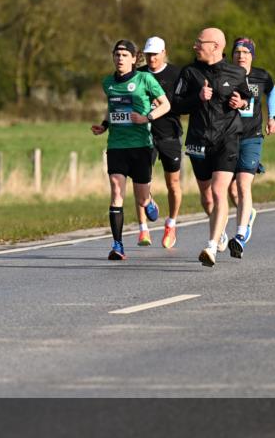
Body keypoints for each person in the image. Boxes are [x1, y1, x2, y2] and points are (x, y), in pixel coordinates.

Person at [171, 28, 251, 267]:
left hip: (227, 139)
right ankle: (221, 230)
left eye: (199, 42)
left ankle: (211, 246)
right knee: (207, 198)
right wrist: (198, 97)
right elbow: (175, 104)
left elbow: (246, 97)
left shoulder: (236, 72)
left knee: (218, 191)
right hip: (198, 140)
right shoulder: (189, 72)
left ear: (215, 46)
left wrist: (241, 101)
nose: (195, 46)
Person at [91, 39, 170, 260]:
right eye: (117, 55)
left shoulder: (145, 79)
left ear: (135, 58)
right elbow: (112, 107)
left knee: (142, 201)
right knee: (117, 193)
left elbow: (166, 104)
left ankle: (149, 201)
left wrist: (147, 117)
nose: (120, 59)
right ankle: (118, 245)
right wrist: (104, 125)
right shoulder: (108, 83)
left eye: (125, 55)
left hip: (141, 146)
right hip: (117, 145)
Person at [226, 37, 275, 258]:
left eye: (245, 52)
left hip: (252, 136)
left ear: (252, 55)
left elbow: (273, 92)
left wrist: (273, 117)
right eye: (237, 52)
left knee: (243, 183)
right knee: (229, 189)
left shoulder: (261, 76)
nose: (241, 55)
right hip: (227, 137)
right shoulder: (225, 75)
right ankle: (247, 215)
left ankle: (240, 234)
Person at [136, 36, 183, 248]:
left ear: (164, 52)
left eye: (155, 54)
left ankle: (171, 224)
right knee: (141, 182)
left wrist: (165, 102)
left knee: (172, 183)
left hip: (169, 134)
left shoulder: (176, 74)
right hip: (143, 135)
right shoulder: (139, 75)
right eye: (148, 54)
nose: (151, 58)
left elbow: (184, 103)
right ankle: (143, 230)